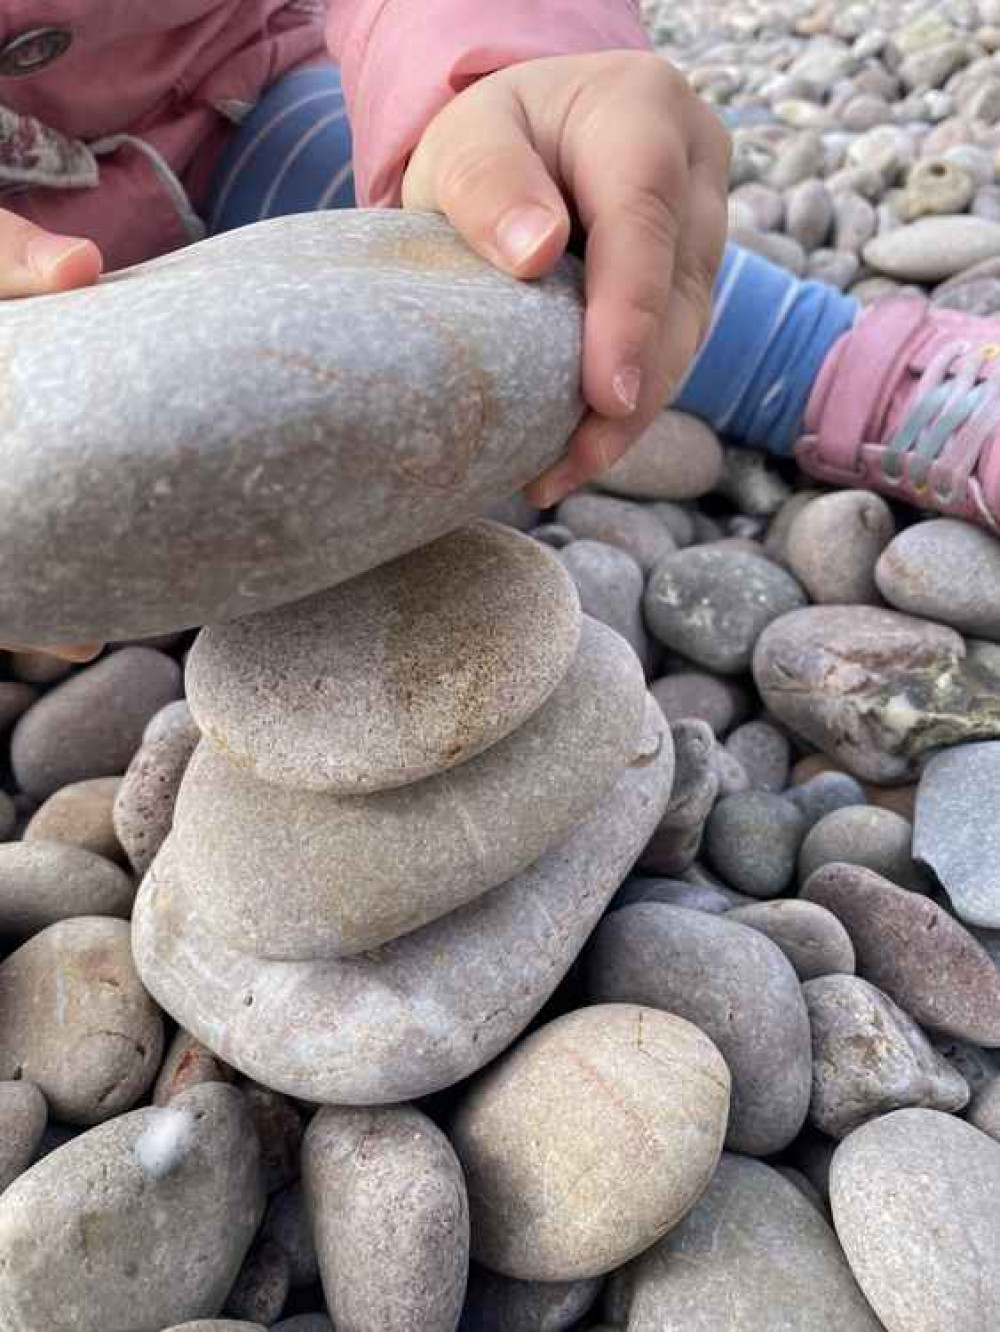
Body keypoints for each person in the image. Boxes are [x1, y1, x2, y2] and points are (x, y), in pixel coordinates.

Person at [1, 3, 996, 663]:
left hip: (233, 106)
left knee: (529, 234)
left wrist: (502, 68)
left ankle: (856, 372)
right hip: (39, 319)